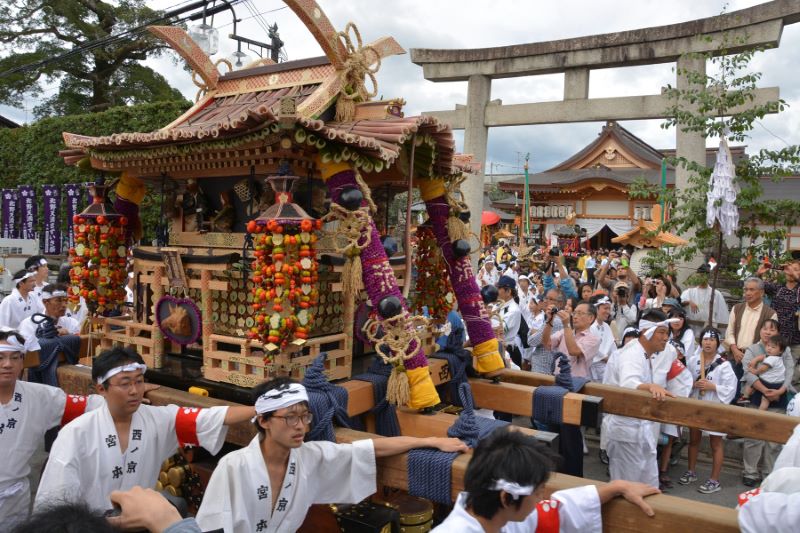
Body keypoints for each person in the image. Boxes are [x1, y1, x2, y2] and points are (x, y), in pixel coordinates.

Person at [196, 378, 467, 532]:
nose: (301, 426)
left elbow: (369, 450)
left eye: (305, 416)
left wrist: (430, 440)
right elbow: (210, 526)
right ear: (264, 421)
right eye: (290, 418)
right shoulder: (233, 466)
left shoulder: (309, 457)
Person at [34, 347, 257, 512]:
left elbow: (213, 416)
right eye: (125, 383)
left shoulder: (158, 419)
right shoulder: (76, 433)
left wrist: (260, 408)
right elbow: (55, 498)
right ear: (101, 389)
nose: (134, 391)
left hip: (140, 521)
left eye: (139, 382)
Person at [432, 426, 659, 533]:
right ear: (506, 497)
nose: (543, 497)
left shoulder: (497, 517)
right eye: (539, 491)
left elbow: (555, 510)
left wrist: (615, 487)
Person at [0, 329, 105, 527]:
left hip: (15, 500)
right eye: (1, 357)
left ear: (23, 361)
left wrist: (124, 402)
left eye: (15, 357)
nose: (7, 364)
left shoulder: (39, 396)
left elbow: (87, 406)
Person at [604, 309, 676, 487]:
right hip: (626, 432)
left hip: (637, 430)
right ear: (646, 331)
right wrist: (651, 386)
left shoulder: (641, 352)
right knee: (627, 489)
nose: (666, 338)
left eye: (667, 333)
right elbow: (628, 383)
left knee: (647, 486)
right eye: (662, 332)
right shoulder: (632, 353)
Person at [679, 328, 737, 494]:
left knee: (716, 443)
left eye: (711, 340)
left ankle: (714, 480)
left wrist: (713, 387)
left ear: (717, 343)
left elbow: (731, 388)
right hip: (697, 405)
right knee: (694, 439)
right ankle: (691, 471)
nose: (708, 343)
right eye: (705, 339)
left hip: (715, 407)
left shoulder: (724, 365)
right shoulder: (693, 361)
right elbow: (684, 381)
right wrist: (692, 385)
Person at [740, 319, 796, 486]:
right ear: (760, 331)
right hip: (758, 395)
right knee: (753, 437)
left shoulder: (783, 351)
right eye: (765, 329)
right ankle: (750, 472)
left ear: (777, 333)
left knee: (774, 439)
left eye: (772, 329)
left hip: (779, 396)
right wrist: (764, 391)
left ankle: (769, 473)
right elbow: (748, 372)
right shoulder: (753, 349)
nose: (767, 332)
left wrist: (780, 390)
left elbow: (789, 371)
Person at [17, 284, 81, 386]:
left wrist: (68, 335)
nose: (64, 305)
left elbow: (78, 348)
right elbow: (23, 352)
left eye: (65, 301)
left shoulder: (72, 323)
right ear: (45, 302)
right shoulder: (29, 324)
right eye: (58, 300)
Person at [757, 259, 800, 389]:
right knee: (772, 371)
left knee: (792, 375)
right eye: (789, 269)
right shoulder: (778, 288)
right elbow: (757, 285)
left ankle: (791, 404)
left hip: (796, 341)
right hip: (776, 340)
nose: (791, 272)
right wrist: (759, 274)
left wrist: (795, 274)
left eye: (796, 269)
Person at [724, 277, 777, 380]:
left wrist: (749, 355)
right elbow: (729, 332)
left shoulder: (770, 314)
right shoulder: (737, 308)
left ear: (761, 293)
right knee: (730, 391)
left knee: (747, 393)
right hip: (734, 357)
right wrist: (734, 349)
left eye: (752, 290)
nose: (747, 293)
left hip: (755, 362)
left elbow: (769, 339)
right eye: (746, 289)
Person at [541, 301, 600, 380]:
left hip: (577, 382)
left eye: (580, 313)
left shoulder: (593, 339)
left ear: (591, 318)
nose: (575, 316)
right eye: (574, 313)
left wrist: (566, 324)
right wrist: (549, 320)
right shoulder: (565, 332)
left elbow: (573, 351)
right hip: (558, 378)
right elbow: (546, 343)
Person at [525, 289, 566, 374]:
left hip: (543, 368)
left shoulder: (554, 320)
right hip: (545, 366)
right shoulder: (554, 318)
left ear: (560, 303)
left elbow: (532, 341)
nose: (546, 301)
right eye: (546, 298)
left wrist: (532, 331)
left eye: (550, 299)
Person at [680, 264, 729, 335]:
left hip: (709, 329)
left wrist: (721, 331)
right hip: (692, 329)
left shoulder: (715, 294)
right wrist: (688, 302)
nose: (702, 277)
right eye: (700, 275)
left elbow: (722, 314)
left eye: (704, 275)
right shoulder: (689, 292)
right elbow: (678, 304)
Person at [746, 335, 789, 411]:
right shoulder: (777, 357)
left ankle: (760, 413)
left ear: (780, 351)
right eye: (768, 345)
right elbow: (763, 356)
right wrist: (755, 359)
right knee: (751, 384)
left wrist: (755, 371)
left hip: (770, 384)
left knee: (764, 400)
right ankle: (746, 395)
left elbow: (763, 369)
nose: (769, 348)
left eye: (773, 347)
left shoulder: (772, 359)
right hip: (777, 383)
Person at [493, 275, 522, 368]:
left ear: (508, 291)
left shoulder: (514, 309)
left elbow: (499, 330)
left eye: (499, 288)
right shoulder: (498, 304)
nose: (496, 291)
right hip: (497, 347)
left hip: (507, 350)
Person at [589, 294, 614, 383]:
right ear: (596, 309)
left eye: (609, 309)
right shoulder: (590, 326)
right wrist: (606, 359)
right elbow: (592, 349)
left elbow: (612, 346)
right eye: (605, 308)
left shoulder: (606, 326)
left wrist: (614, 359)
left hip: (607, 365)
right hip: (593, 367)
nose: (608, 312)